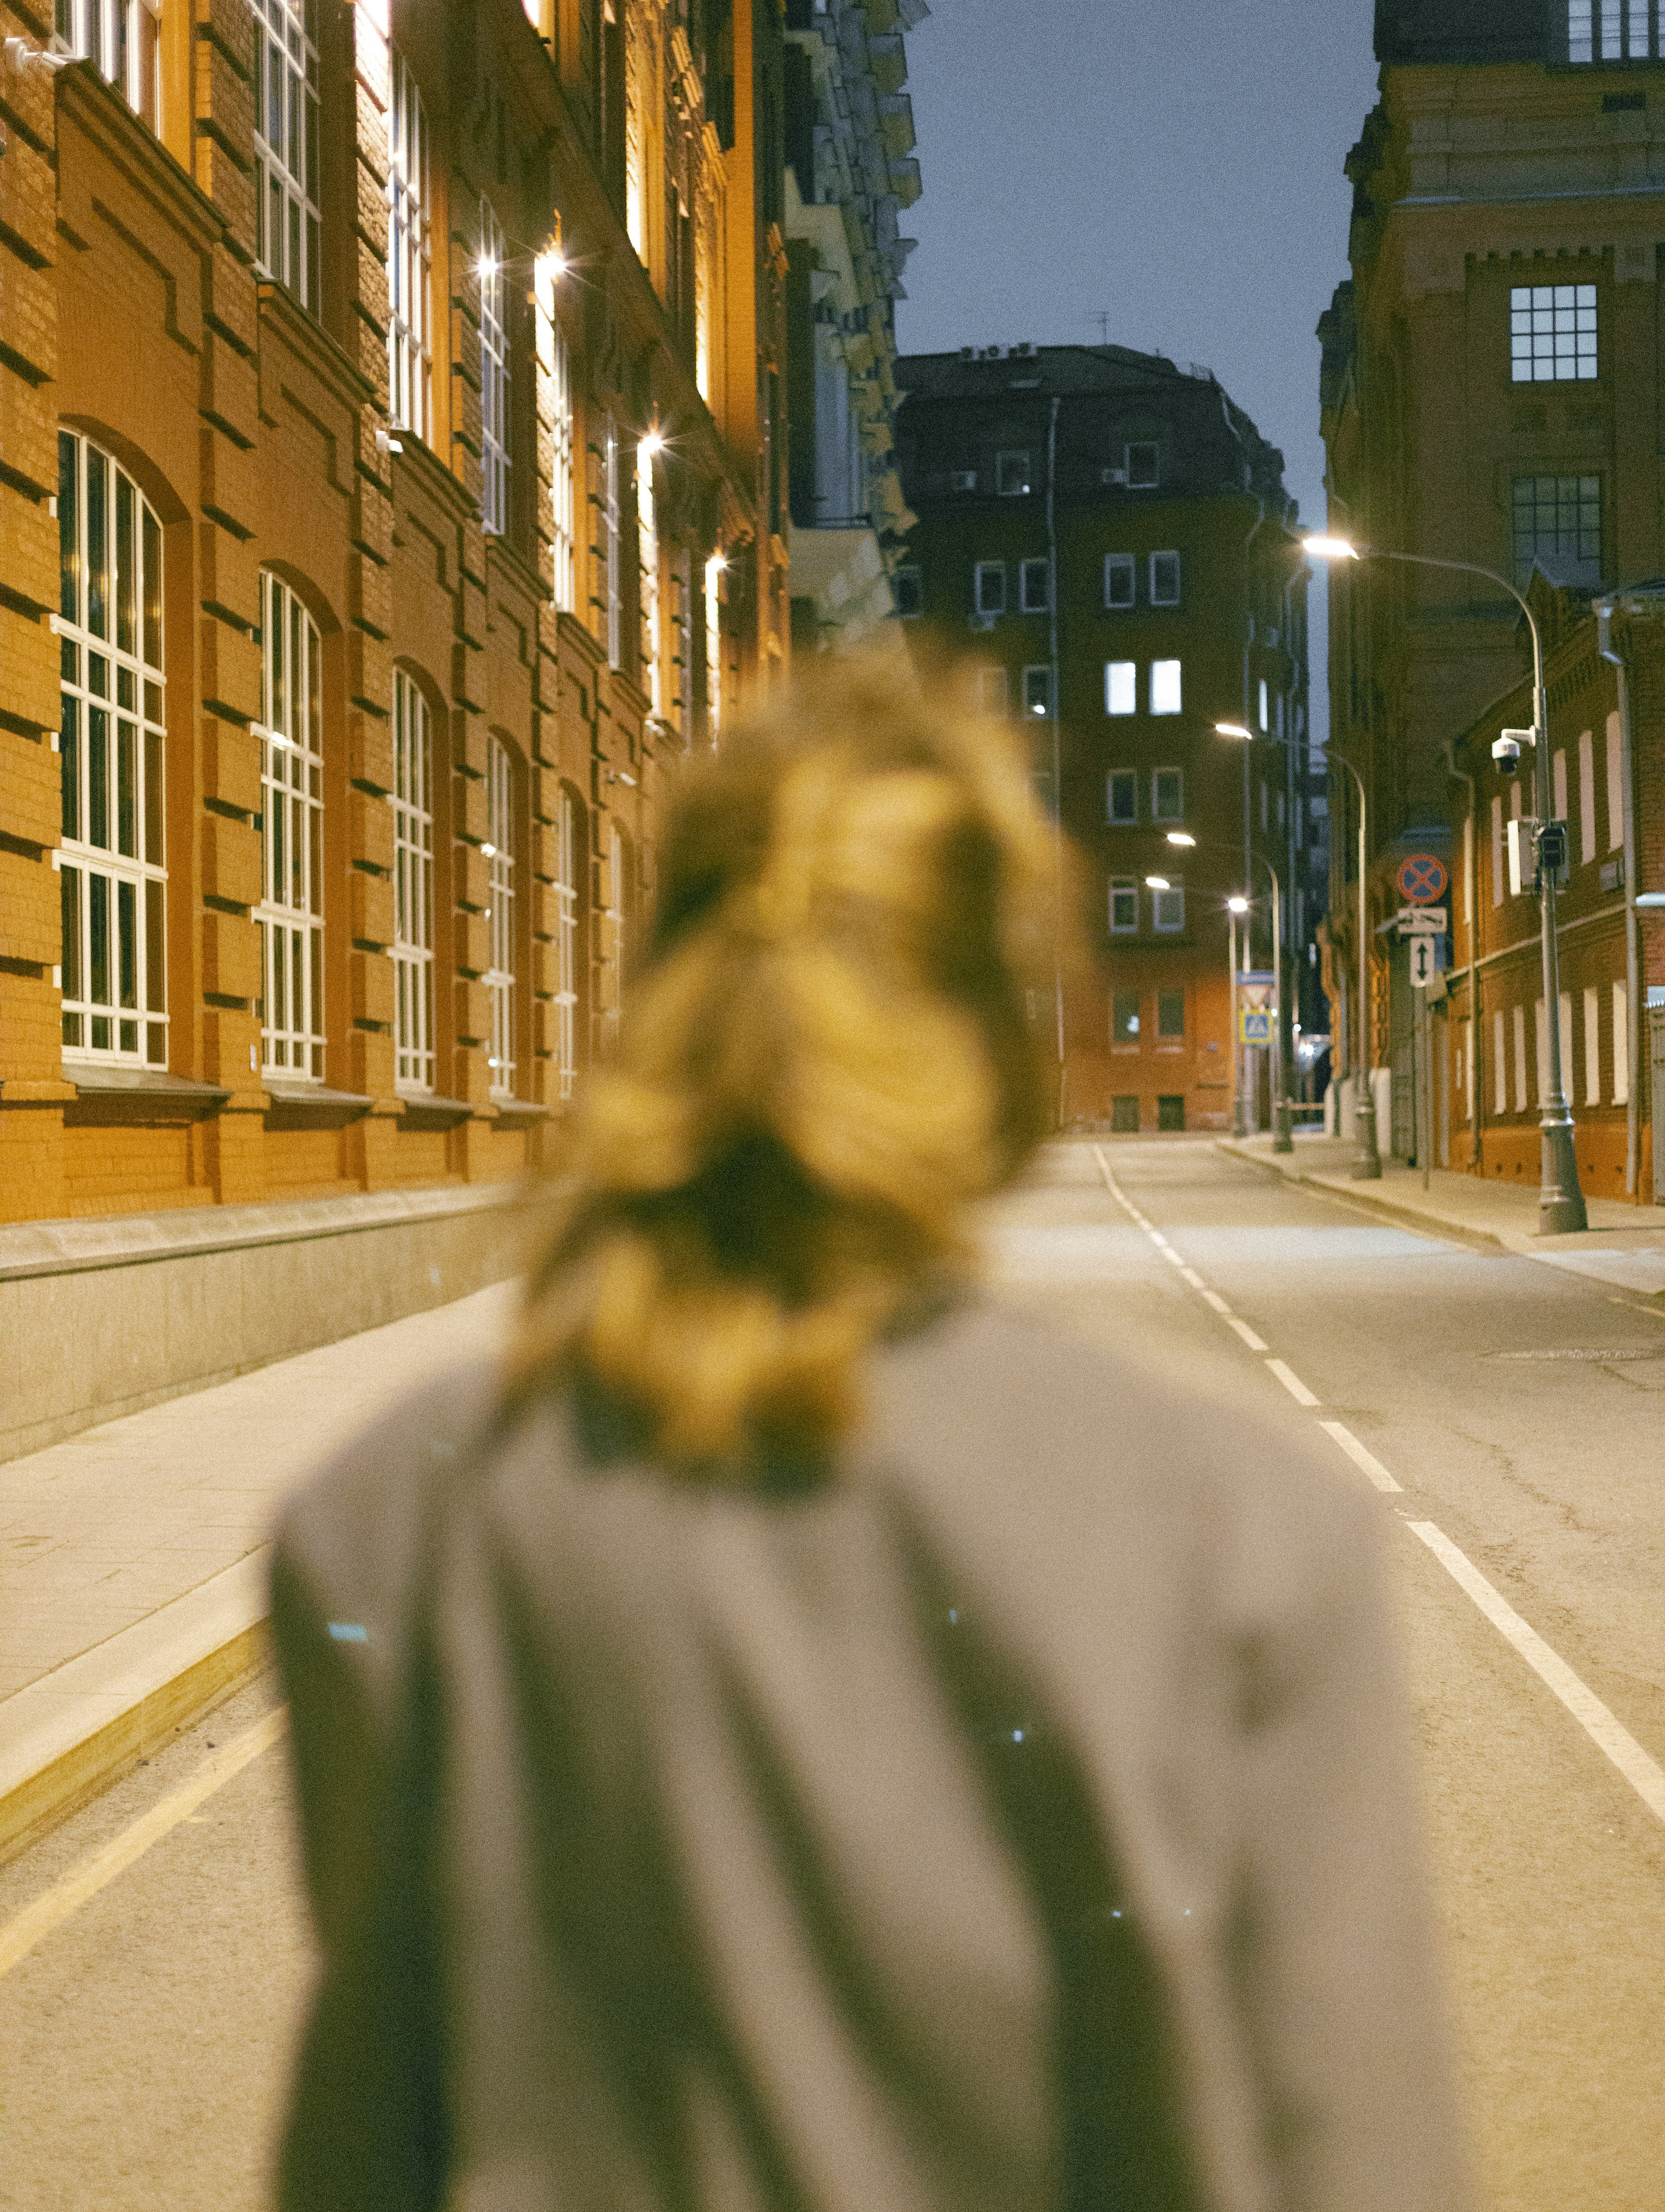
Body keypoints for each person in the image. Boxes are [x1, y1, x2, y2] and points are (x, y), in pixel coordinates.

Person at [272, 663, 1469, 2212]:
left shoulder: (390, 1523)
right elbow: (1355, 2152)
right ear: (995, 1046)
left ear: (662, 992)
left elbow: (373, 2132)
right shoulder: (1240, 1528)